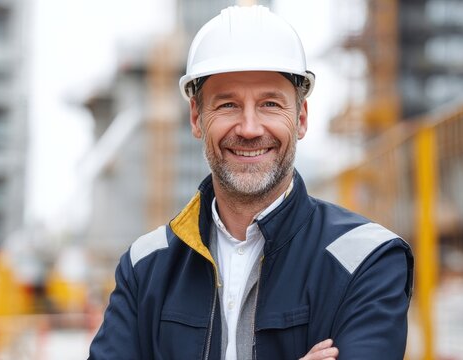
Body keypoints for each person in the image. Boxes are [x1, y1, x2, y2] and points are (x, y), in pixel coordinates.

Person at [89, 5, 413, 360]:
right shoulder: (144, 267)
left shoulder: (368, 259)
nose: (249, 128)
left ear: (301, 119)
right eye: (227, 105)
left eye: (270, 104)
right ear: (197, 118)